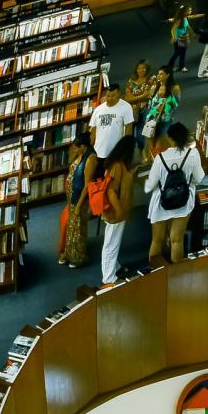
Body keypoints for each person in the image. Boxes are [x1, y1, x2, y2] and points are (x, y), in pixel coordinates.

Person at [144, 122, 207, 264]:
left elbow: (150, 186)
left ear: (170, 138)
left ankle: (156, 271)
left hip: (161, 203)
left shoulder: (160, 158)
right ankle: (177, 271)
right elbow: (199, 178)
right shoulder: (193, 154)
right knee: (177, 240)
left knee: (157, 240)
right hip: (183, 201)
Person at [100, 135, 137, 287]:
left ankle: (115, 268)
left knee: (113, 241)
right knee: (111, 244)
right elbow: (111, 191)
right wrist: (119, 211)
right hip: (116, 212)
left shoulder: (120, 165)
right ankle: (108, 279)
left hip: (119, 211)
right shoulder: (117, 166)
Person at [59, 134, 96, 268]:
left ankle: (77, 257)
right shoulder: (80, 154)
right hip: (72, 198)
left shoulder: (91, 159)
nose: (74, 150)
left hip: (80, 199)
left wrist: (79, 206)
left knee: (78, 228)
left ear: (83, 146)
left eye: (76, 147)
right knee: (72, 227)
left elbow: (87, 185)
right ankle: (69, 253)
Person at [89, 84, 134, 169]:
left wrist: (125, 150)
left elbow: (129, 129)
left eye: (113, 96)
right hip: (98, 152)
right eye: (108, 96)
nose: (110, 98)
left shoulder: (126, 107)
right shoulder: (98, 110)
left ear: (119, 94)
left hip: (116, 153)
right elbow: (93, 131)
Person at [143, 66, 182, 163]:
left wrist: (164, 105)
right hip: (151, 120)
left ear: (168, 75)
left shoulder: (174, 88)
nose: (158, 76)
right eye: (158, 74)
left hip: (165, 121)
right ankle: (151, 165)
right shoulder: (155, 87)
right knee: (151, 147)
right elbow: (149, 103)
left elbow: (176, 104)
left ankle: (161, 164)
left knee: (160, 147)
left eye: (161, 74)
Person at [124, 59, 155, 150]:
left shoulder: (151, 79)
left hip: (145, 110)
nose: (141, 70)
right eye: (139, 68)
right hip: (132, 111)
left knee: (140, 135)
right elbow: (128, 98)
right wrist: (143, 96)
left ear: (147, 69)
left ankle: (142, 153)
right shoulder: (131, 81)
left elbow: (149, 95)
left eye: (143, 68)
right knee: (129, 135)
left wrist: (133, 99)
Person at [168, 6, 196, 73]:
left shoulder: (185, 18)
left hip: (183, 38)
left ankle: (182, 67)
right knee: (177, 54)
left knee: (182, 53)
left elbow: (187, 26)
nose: (190, 12)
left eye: (190, 10)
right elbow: (172, 30)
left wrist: (191, 32)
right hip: (178, 39)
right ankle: (169, 67)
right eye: (189, 11)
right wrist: (174, 37)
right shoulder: (179, 20)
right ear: (184, 12)